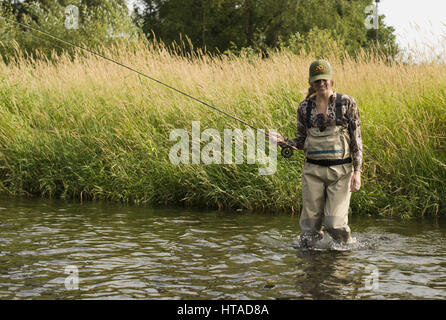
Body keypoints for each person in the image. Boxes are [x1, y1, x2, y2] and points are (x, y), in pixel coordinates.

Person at [270, 59, 363, 245]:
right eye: (317, 80)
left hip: (341, 173)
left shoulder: (346, 102)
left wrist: (357, 171)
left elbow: (356, 140)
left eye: (325, 79)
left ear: (332, 79)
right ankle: (311, 265)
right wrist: (282, 141)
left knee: (334, 224)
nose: (321, 83)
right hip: (312, 172)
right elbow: (301, 142)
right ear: (311, 82)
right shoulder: (304, 107)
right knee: (309, 228)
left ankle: (344, 254)